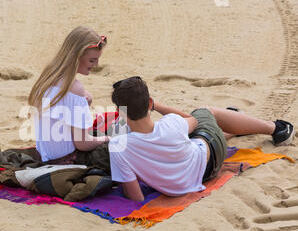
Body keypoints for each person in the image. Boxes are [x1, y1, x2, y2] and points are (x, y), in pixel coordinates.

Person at [109, 76, 295, 201]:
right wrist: (157, 105)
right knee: (207, 112)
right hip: (210, 158)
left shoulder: (118, 146)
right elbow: (196, 120)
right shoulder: (171, 123)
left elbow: (136, 198)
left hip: (189, 180)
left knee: (191, 135)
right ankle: (277, 129)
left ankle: (236, 126)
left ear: (120, 111)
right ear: (148, 103)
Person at [28, 26, 110, 166]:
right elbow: (82, 144)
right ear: (77, 57)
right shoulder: (75, 88)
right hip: (66, 160)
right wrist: (107, 139)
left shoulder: (48, 76)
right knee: (120, 138)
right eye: (92, 60)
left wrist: (85, 102)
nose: (96, 64)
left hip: (45, 155)